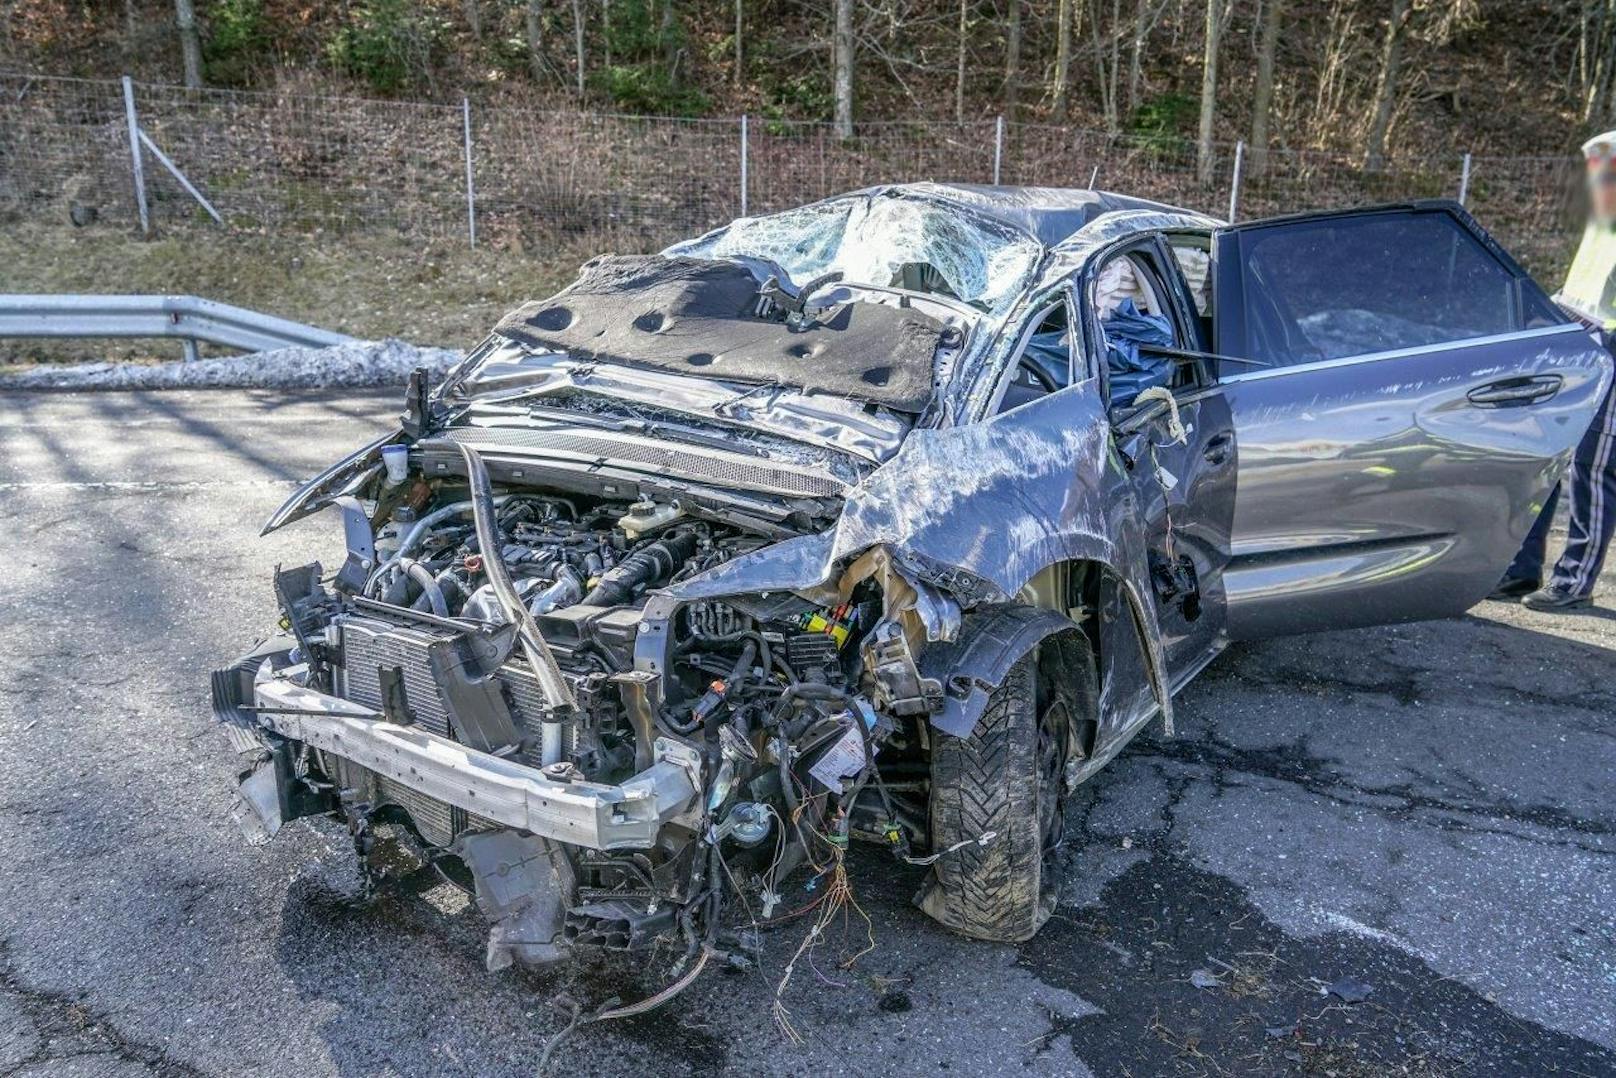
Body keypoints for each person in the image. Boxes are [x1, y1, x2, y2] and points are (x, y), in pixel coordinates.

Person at [1494, 131, 1616, 611]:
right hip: (1579, 335)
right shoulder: (1601, 220)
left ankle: (1574, 582)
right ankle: (1520, 569)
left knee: (1594, 466)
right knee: (1549, 453)